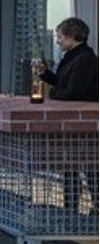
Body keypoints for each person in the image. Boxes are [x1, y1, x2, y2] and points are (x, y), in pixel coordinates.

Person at [33, 17, 99, 212]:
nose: (58, 41)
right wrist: (45, 75)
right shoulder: (73, 57)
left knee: (87, 167)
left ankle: (89, 208)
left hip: (83, 123)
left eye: (60, 36)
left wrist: (52, 94)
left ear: (72, 36)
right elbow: (64, 85)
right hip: (75, 121)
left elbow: (73, 93)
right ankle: (73, 207)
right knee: (75, 166)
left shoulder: (85, 60)